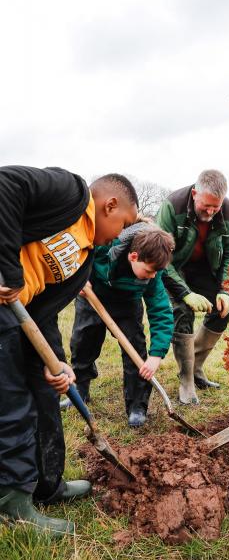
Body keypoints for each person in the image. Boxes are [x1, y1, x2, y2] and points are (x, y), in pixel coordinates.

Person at [0, 166, 138, 535]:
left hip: (21, 316)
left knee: (45, 394)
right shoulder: (69, 193)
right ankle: (13, 504)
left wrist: (53, 360)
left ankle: (47, 485)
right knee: (12, 405)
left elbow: (44, 308)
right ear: (109, 205)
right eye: (124, 224)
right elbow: (5, 185)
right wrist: (9, 271)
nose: (120, 236)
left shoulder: (84, 260)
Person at [61, 222, 175, 428]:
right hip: (93, 295)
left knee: (135, 349)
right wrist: (79, 279)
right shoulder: (107, 241)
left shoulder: (153, 274)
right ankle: (81, 391)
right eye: (149, 271)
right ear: (133, 257)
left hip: (128, 302)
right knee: (82, 343)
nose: (152, 276)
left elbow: (161, 311)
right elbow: (80, 252)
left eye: (156, 273)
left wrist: (156, 355)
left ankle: (137, 406)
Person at [157, 169, 229, 405]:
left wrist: (225, 290)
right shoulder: (173, 206)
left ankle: (196, 368)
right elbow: (162, 256)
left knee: (226, 309)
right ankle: (186, 379)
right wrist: (185, 293)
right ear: (195, 194)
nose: (212, 212)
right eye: (206, 206)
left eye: (216, 206)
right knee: (183, 311)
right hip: (176, 268)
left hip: (206, 269)